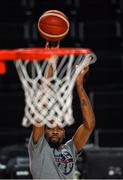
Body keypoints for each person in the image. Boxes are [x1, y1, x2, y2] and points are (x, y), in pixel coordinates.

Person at [28, 64, 95, 179]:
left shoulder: (70, 148)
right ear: (44, 131)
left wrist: (79, 85)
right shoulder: (38, 146)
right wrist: (51, 62)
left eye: (59, 129)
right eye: (50, 128)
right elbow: (41, 106)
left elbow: (89, 125)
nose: (55, 131)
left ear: (64, 133)